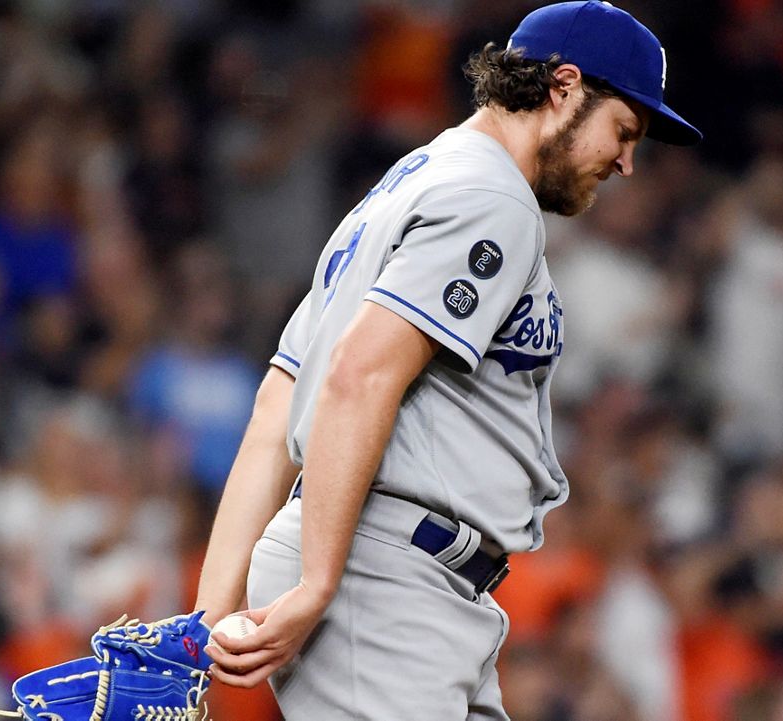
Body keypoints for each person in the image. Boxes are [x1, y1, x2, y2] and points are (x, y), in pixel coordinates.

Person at [196, 2, 701, 718]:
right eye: (624, 130)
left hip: (410, 579)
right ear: (562, 87)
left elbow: (278, 405)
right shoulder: (488, 195)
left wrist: (201, 623)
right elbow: (357, 375)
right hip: (385, 571)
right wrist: (317, 581)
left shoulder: (405, 185)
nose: (626, 161)